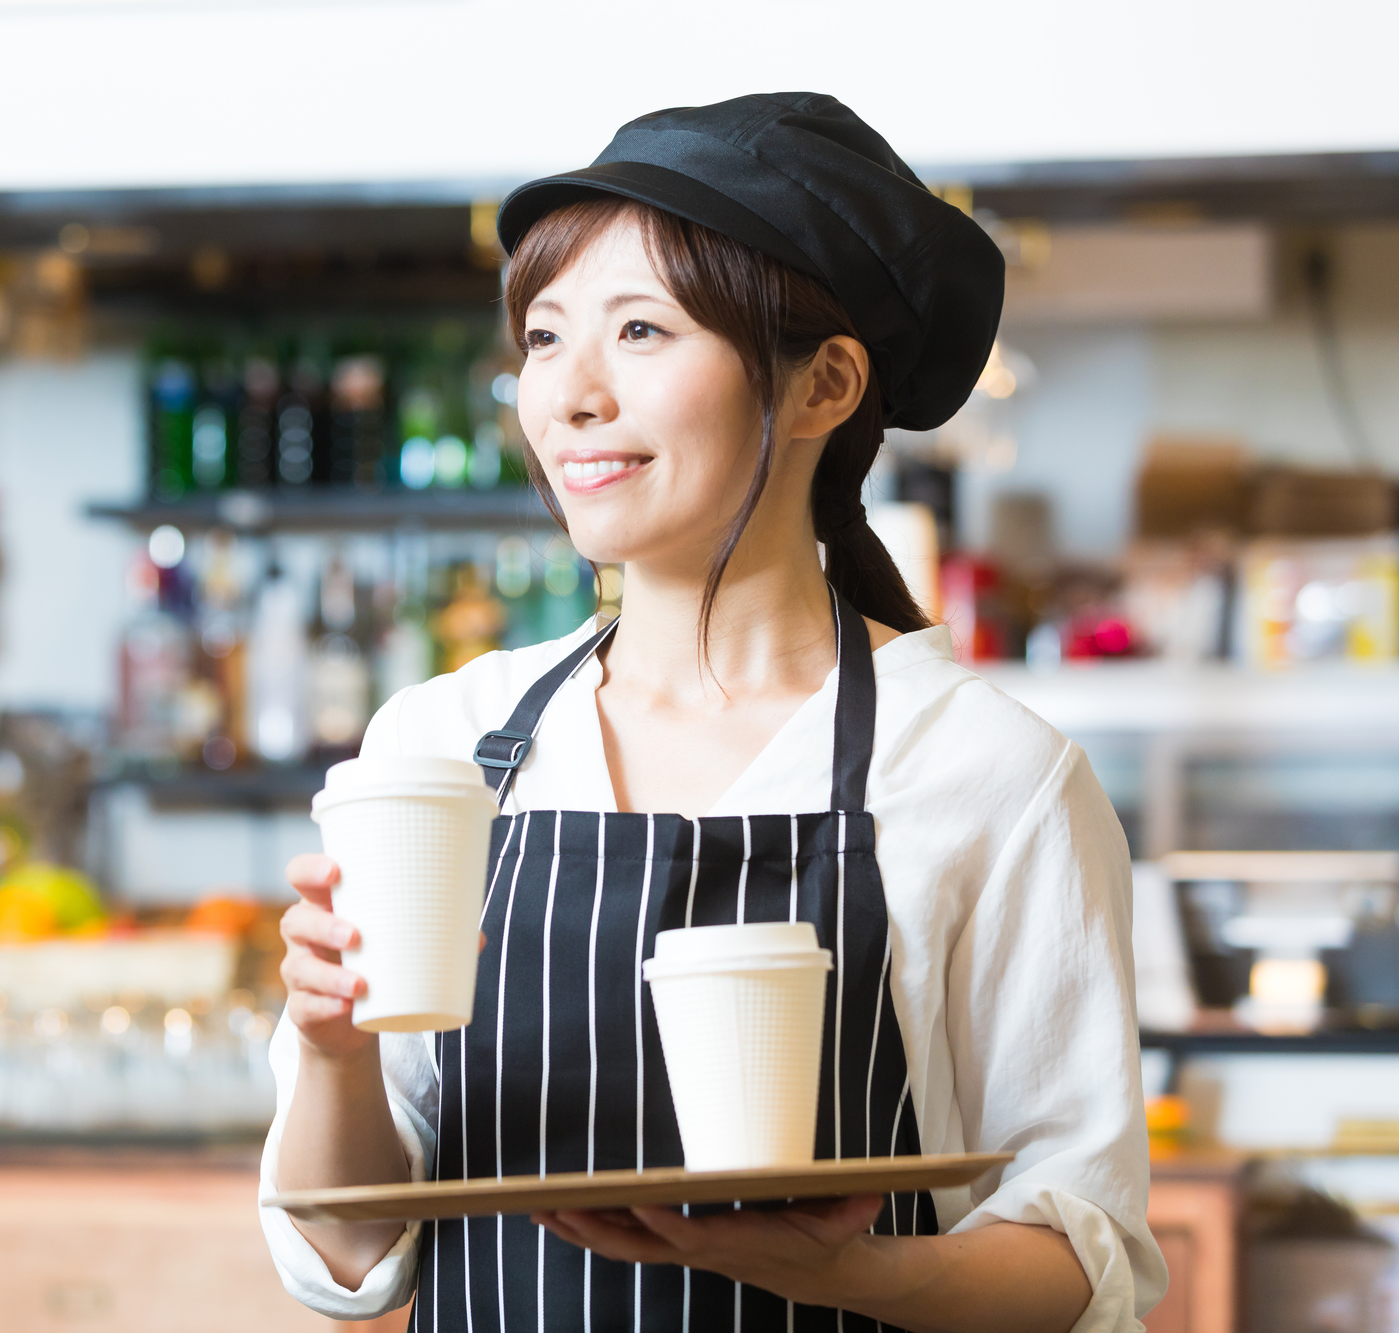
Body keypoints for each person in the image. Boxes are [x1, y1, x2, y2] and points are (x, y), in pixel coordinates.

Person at [260, 92, 1163, 1333]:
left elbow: (1082, 1261)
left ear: (821, 384)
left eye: (639, 330)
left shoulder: (983, 772)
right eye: (541, 337)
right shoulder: (443, 746)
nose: (569, 394)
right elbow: (347, 1251)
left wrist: (849, 1277)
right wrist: (329, 1046)